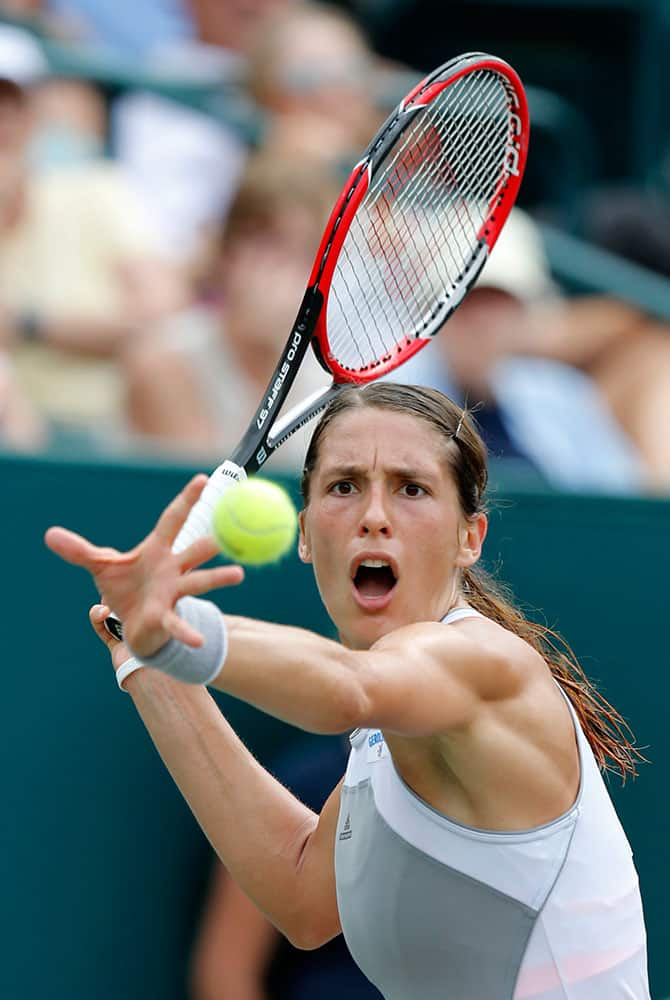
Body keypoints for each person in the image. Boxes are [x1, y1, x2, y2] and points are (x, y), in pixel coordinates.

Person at [45, 382, 650, 999]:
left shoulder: (484, 661)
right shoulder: (384, 738)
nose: (374, 516)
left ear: (471, 538)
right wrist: (148, 663)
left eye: (411, 488)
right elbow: (300, 895)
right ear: (305, 534)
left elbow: (346, 686)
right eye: (345, 486)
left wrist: (178, 630)